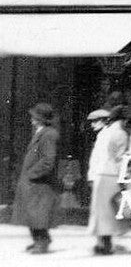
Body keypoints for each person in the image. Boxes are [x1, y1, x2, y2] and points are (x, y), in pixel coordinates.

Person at [11, 103, 60, 255]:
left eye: (35, 116)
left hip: (39, 182)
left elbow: (48, 160)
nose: (32, 118)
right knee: (33, 213)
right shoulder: (41, 132)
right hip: (34, 182)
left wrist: (32, 174)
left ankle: (42, 242)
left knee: (38, 214)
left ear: (41, 119)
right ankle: (40, 239)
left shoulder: (48, 134)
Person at [87, 106, 130, 255]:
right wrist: (123, 179)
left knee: (101, 212)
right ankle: (105, 244)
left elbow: (96, 157)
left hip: (100, 174)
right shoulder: (121, 134)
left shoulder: (104, 134)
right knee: (108, 212)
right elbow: (120, 158)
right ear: (123, 120)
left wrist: (91, 175)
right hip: (111, 175)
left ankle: (102, 243)